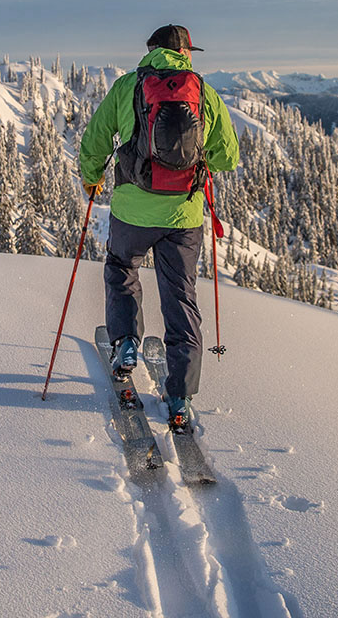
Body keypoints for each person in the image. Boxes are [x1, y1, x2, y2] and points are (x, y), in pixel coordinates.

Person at [79, 24, 240, 431]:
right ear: (185, 52)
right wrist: (196, 162)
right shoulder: (202, 91)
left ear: (150, 51)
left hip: (133, 208)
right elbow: (228, 157)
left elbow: (96, 138)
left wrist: (91, 176)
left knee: (121, 268)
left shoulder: (128, 86)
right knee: (180, 296)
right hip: (184, 215)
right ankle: (180, 394)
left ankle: (127, 344)